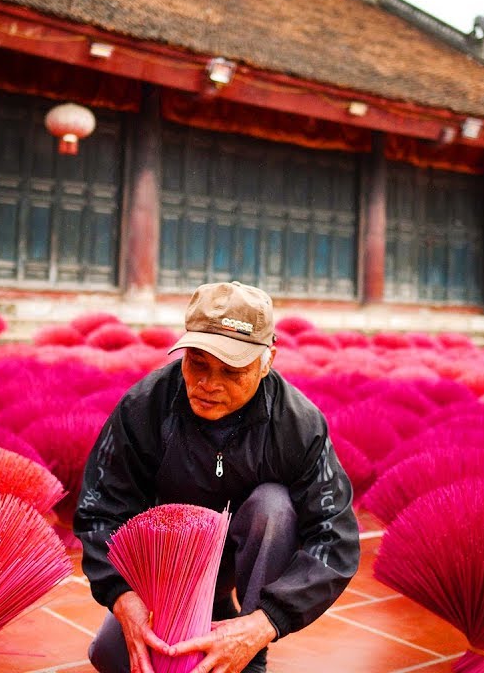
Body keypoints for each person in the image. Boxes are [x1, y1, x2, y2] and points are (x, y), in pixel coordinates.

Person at [75, 281, 359, 673]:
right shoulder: (145, 407)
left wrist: (263, 624)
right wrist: (123, 597)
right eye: (198, 363)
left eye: (231, 370)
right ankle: (210, 604)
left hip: (250, 556)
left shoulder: (299, 426)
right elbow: (99, 512)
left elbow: (335, 540)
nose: (209, 384)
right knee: (108, 657)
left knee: (273, 506)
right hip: (169, 565)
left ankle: (248, 653)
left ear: (267, 360)